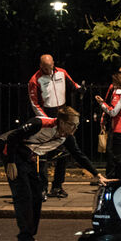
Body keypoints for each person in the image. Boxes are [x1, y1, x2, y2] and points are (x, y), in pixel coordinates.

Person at [0, 107, 109, 241]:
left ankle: (30, 237)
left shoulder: (66, 137)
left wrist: (97, 175)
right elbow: (12, 138)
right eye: (72, 124)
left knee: (37, 195)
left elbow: (79, 155)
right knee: (24, 196)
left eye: (77, 124)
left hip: (28, 157)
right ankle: (24, 240)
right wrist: (11, 162)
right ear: (62, 122)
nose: (75, 127)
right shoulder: (39, 123)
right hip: (12, 154)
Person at [27, 54, 84, 199]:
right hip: (48, 116)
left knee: (63, 154)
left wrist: (80, 88)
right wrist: (46, 120)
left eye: (50, 66)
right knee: (43, 154)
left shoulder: (62, 73)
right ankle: (42, 187)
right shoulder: (35, 80)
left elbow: (73, 85)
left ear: (53, 64)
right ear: (40, 66)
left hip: (63, 115)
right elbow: (34, 103)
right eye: (45, 68)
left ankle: (57, 186)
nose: (48, 70)